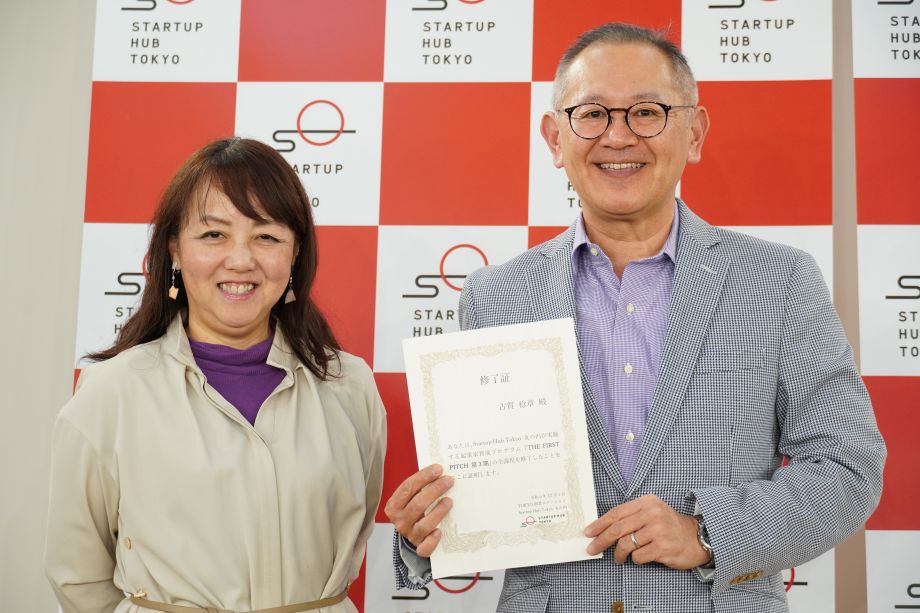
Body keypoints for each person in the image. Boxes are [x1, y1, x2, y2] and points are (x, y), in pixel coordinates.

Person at [385, 22, 886, 613]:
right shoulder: (496, 295)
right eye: (592, 114)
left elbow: (848, 465)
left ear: (694, 133)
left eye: (647, 112)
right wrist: (428, 530)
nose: (618, 137)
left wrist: (707, 533)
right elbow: (488, 495)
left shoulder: (778, 281)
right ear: (555, 139)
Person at [45, 137, 386, 613]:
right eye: (213, 235)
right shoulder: (111, 394)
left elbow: (359, 525)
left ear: (294, 254)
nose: (241, 259)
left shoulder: (349, 385)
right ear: (175, 250)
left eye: (266, 237)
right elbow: (77, 576)